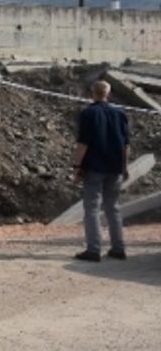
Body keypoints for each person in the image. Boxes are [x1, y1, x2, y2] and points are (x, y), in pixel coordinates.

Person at [71, 79, 130, 262]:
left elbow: (83, 144)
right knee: (113, 208)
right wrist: (125, 166)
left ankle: (93, 249)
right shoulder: (120, 114)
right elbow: (126, 145)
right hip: (115, 167)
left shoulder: (88, 114)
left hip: (95, 167)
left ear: (92, 93)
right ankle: (118, 248)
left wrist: (77, 166)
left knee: (92, 208)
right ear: (109, 94)